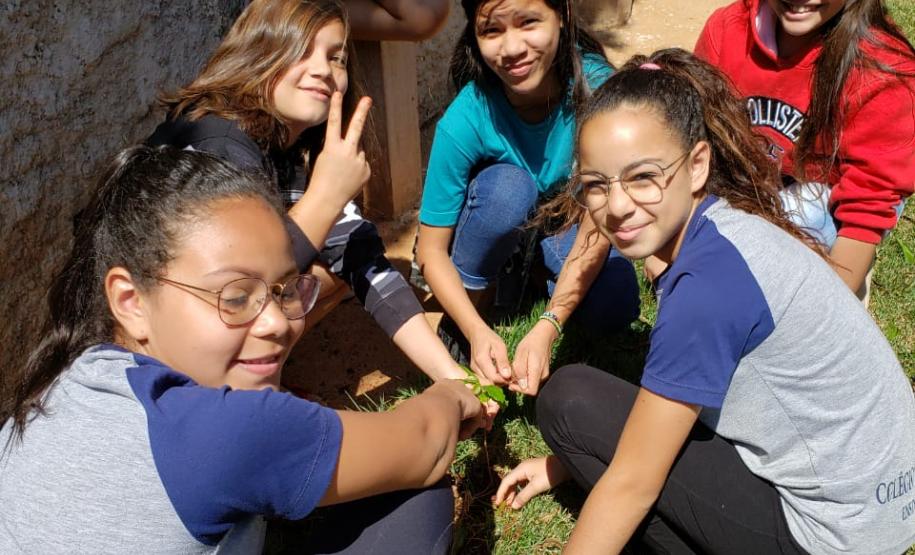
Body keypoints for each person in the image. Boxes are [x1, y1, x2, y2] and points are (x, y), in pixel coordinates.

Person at [494, 50, 915, 554]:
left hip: (834, 536)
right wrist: (567, 465)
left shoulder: (704, 290)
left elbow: (631, 486)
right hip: (883, 506)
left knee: (569, 402)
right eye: (596, 186)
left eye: (643, 177)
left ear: (697, 165)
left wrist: (588, 460)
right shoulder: (728, 229)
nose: (618, 204)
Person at [0, 146, 484, 554]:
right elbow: (424, 445)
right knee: (411, 498)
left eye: (285, 288)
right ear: (131, 301)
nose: (277, 322)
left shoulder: (63, 386)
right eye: (234, 297)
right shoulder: (226, 432)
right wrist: (454, 393)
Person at [147, 0, 479, 389]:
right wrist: (327, 193)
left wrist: (455, 378)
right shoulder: (218, 142)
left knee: (339, 255)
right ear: (261, 52)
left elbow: (361, 257)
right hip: (153, 350)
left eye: (337, 58)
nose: (324, 69)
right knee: (286, 283)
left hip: (211, 316)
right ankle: (238, 400)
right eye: (302, 51)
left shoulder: (289, 146)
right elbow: (240, 285)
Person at [413, 0, 640, 390]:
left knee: (615, 302)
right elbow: (430, 251)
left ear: (563, 16)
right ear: (475, 36)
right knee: (506, 190)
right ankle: (475, 301)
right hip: (501, 210)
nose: (512, 47)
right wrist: (474, 330)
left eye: (528, 22)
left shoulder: (599, 92)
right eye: (492, 31)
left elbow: (598, 225)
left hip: (568, 221)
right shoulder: (467, 114)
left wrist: (548, 326)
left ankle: (531, 276)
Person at [694, 0, 915, 297]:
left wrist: (830, 307)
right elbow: (693, 137)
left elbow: (868, 203)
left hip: (829, 200)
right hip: (752, 184)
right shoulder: (727, 29)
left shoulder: (884, 69)